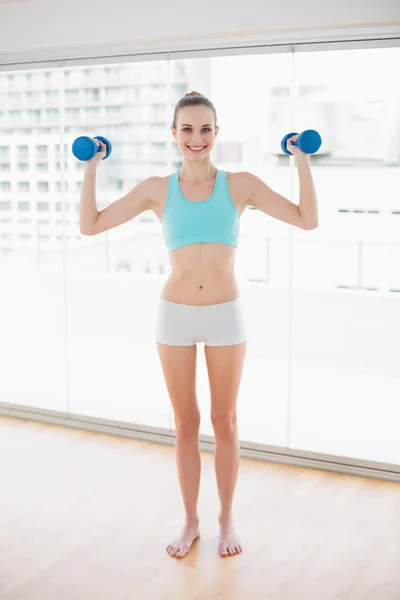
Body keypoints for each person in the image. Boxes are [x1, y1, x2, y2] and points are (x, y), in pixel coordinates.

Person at [79, 90, 318, 559]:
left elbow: (306, 219)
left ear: (216, 133)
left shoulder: (241, 184)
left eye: (205, 129)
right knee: (185, 423)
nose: (196, 138)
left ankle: (227, 519)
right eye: (187, 129)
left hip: (226, 314)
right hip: (175, 315)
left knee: (225, 421)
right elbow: (91, 225)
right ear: (174, 134)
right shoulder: (155, 189)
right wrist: (92, 168)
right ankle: (190, 520)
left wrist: (302, 160)